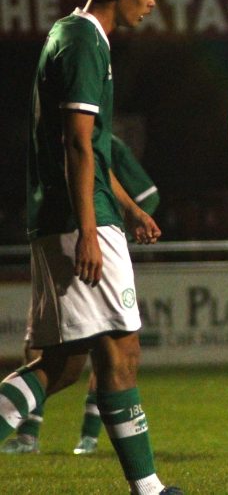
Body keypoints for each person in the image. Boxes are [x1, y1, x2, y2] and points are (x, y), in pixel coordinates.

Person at [0, 0, 182, 495]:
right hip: (78, 220)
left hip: (77, 214)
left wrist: (128, 208)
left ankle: (147, 488)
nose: (151, 3)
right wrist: (89, 230)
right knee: (120, 349)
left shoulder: (72, 35)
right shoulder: (84, 43)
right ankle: (148, 489)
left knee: (67, 364)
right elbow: (78, 145)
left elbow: (92, 151)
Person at [2, 135, 160, 457]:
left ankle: (85, 438)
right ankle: (38, 436)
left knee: (80, 354)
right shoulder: (84, 126)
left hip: (76, 234)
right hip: (85, 234)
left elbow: (148, 196)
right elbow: (81, 152)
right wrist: (97, 228)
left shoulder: (81, 135)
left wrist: (129, 217)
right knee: (102, 349)